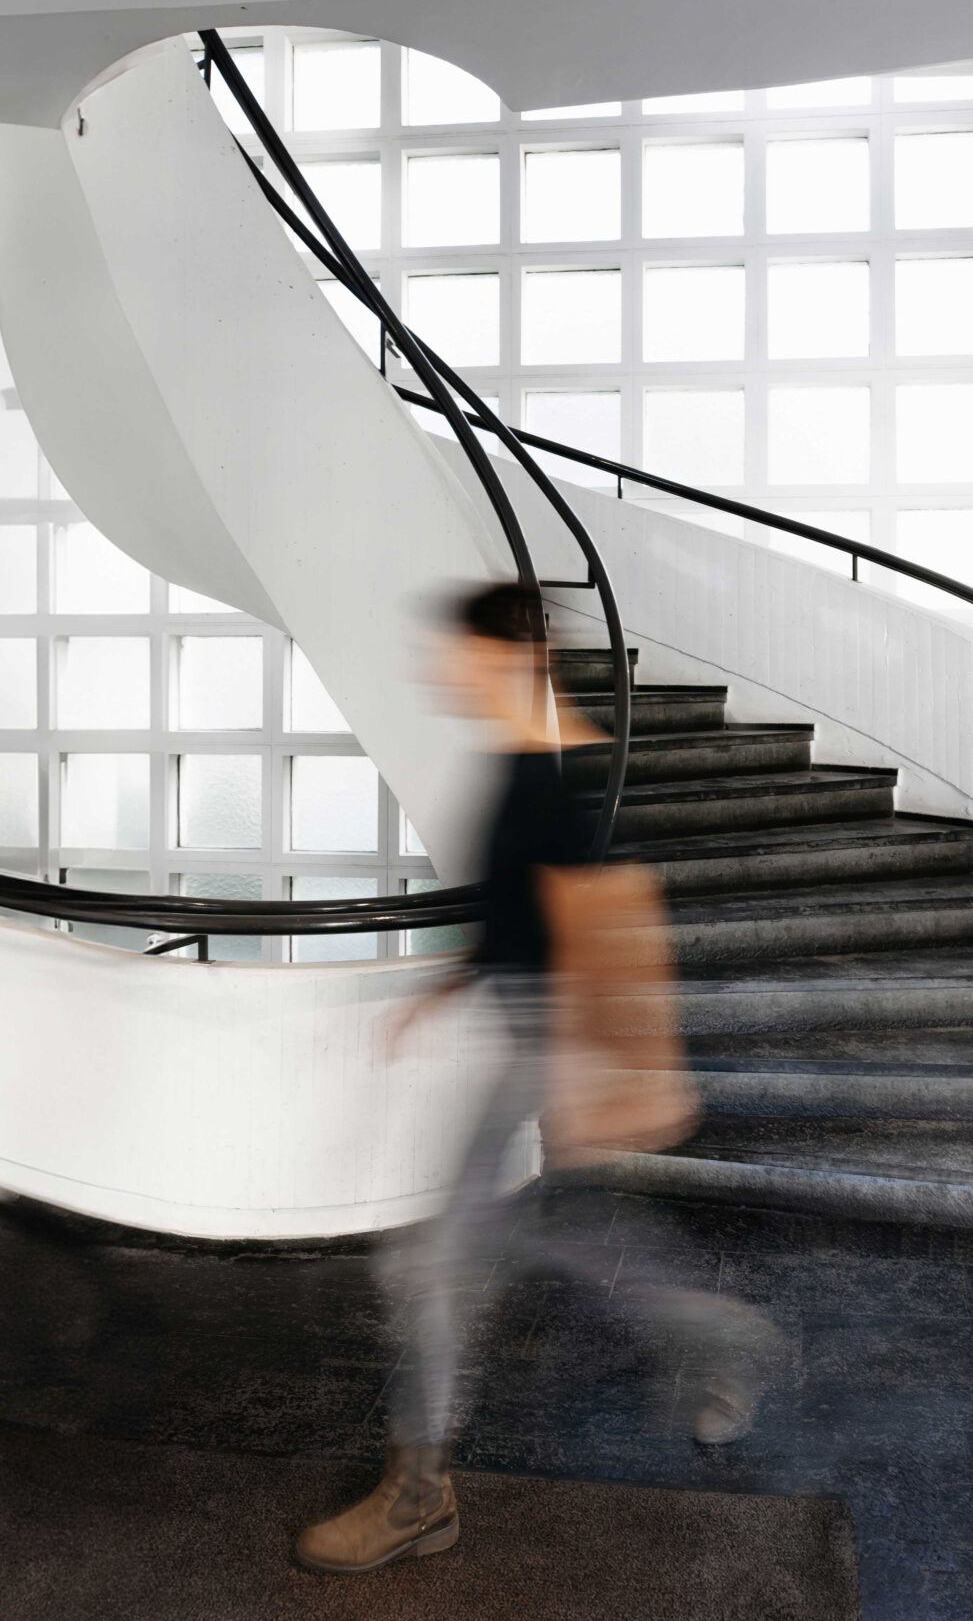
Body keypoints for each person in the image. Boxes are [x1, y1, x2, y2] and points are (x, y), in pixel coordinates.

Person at [295, 582, 776, 1577]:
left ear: (512, 659)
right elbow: (515, 911)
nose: (447, 676)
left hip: (549, 1045)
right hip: (530, 1031)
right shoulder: (519, 762)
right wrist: (447, 985)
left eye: (463, 660)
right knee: (563, 1231)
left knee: (427, 1267)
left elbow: (608, 937)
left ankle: (418, 1495)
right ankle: (726, 1335)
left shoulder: (566, 771)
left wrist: (579, 1075)